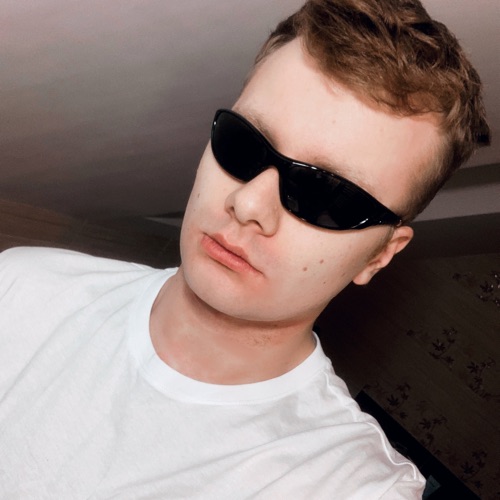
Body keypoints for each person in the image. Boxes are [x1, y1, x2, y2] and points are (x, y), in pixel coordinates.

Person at [0, 0, 490, 498]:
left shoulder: (352, 486)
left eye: (326, 194)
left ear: (379, 255)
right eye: (245, 143)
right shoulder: (22, 286)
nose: (248, 202)